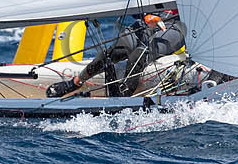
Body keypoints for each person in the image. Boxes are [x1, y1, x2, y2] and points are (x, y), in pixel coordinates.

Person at [46, 10, 186, 98]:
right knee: (111, 53)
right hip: (148, 19)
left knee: (140, 53)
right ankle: (76, 82)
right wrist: (147, 15)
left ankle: (123, 97)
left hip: (177, 23)